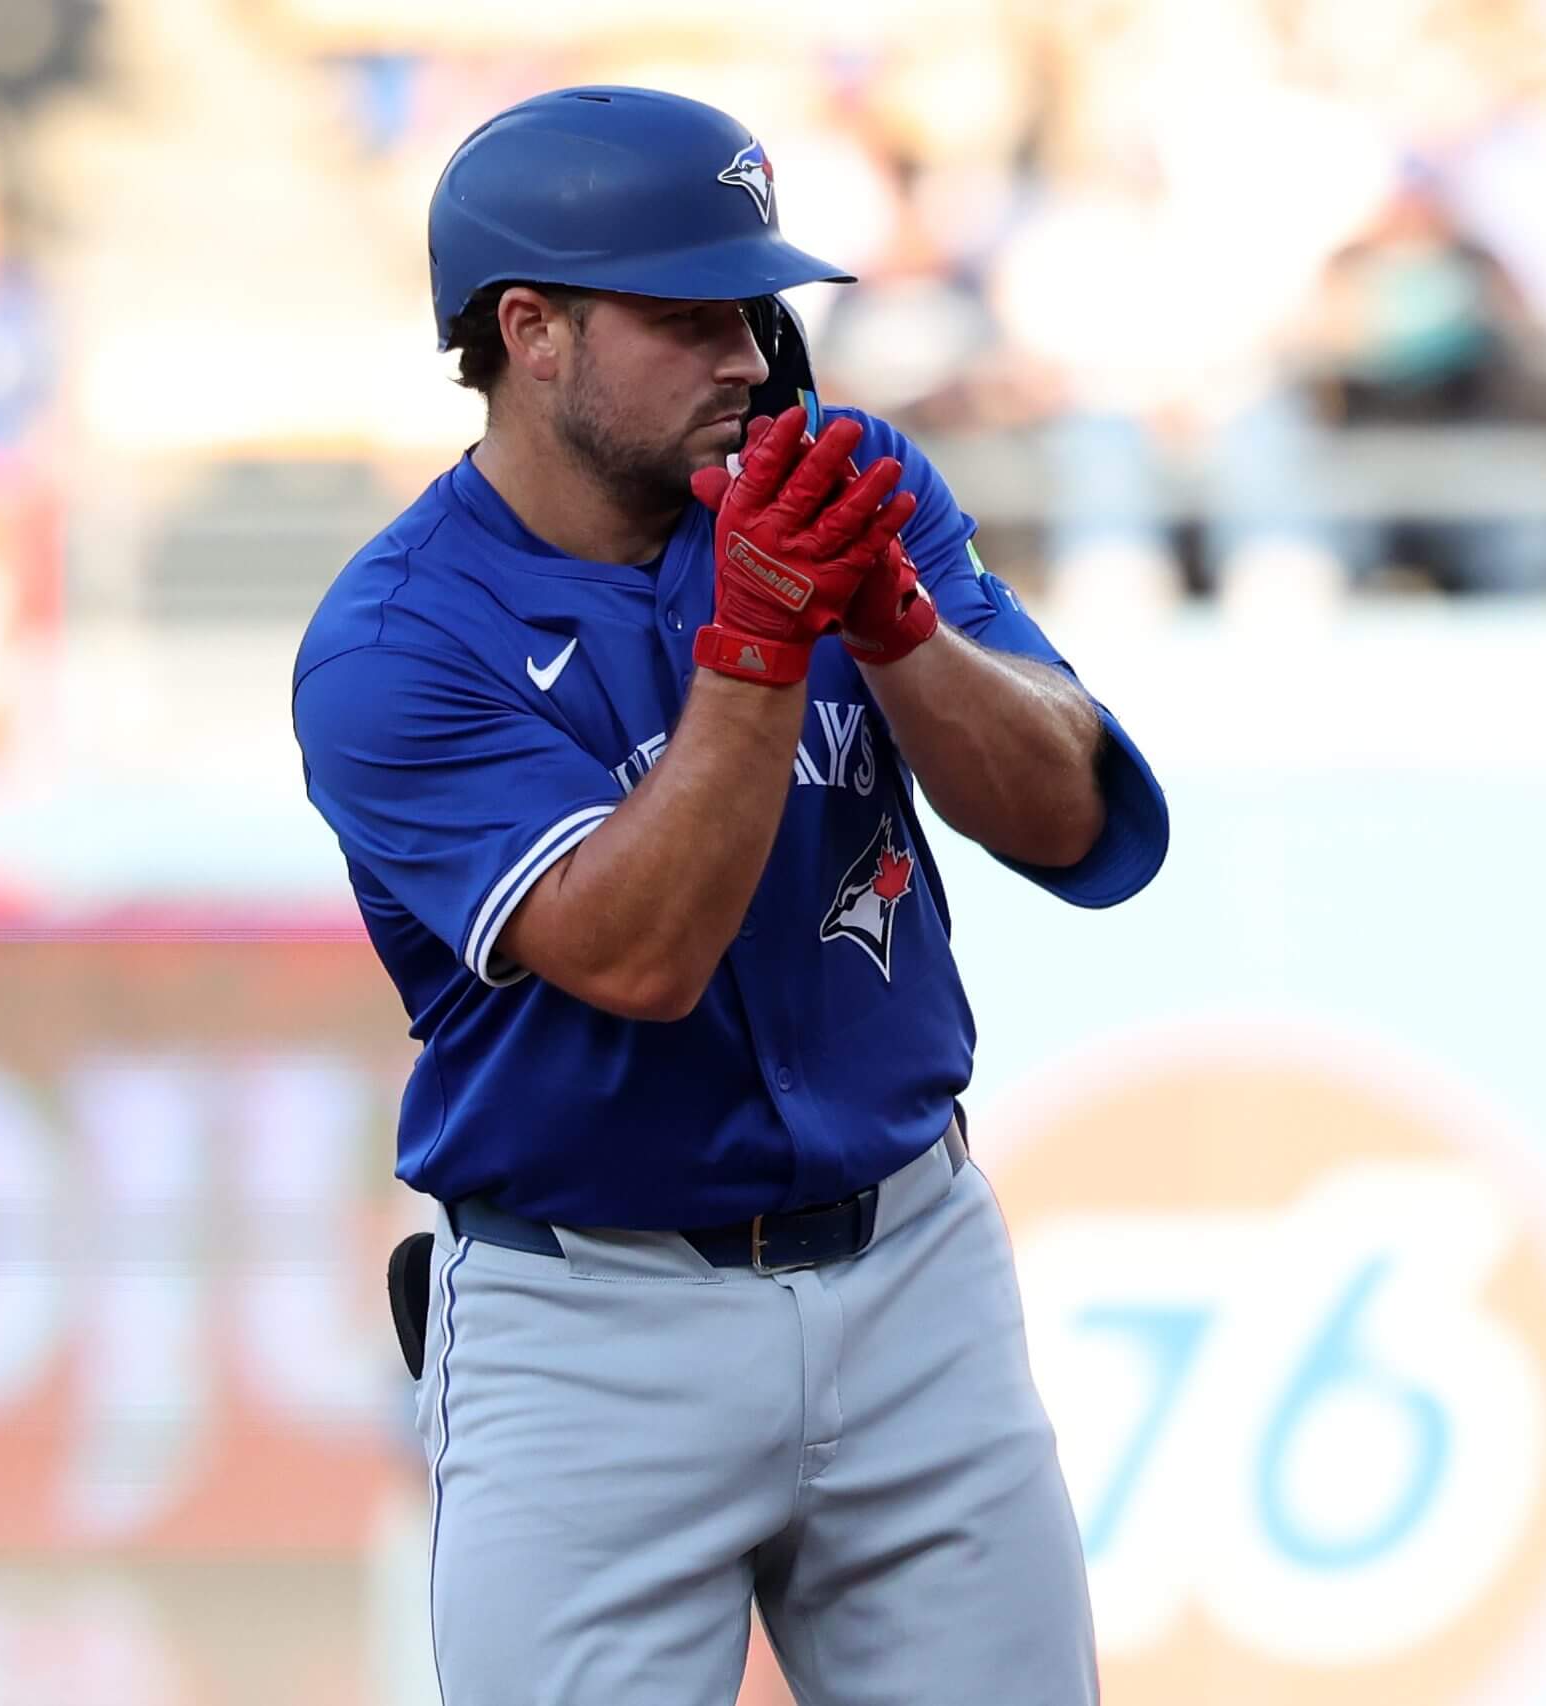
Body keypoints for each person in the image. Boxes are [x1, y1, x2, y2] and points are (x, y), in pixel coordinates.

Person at [290, 87, 1168, 1706]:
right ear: (530, 330)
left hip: (915, 1265)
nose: (749, 357)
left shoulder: (843, 485)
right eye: (687, 316)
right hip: (589, 1317)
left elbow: (1077, 827)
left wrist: (896, 621)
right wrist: (761, 642)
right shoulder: (396, 644)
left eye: (753, 309)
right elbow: (639, 956)